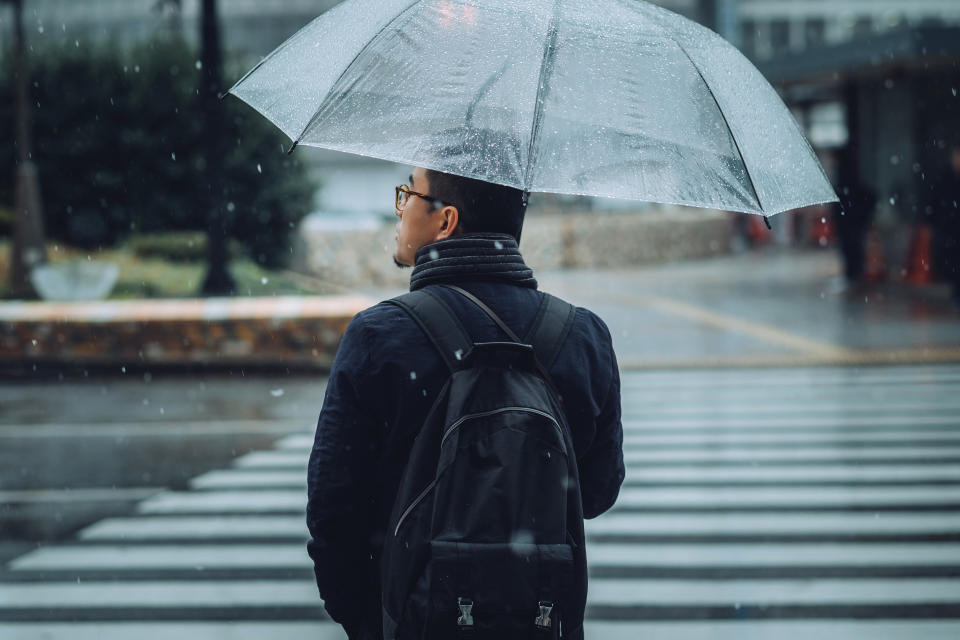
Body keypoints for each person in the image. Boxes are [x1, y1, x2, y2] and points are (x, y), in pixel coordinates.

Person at [306, 166, 624, 639]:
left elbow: (333, 515)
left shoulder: (379, 336)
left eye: (408, 192)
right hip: (537, 619)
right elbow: (596, 493)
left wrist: (369, 622)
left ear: (445, 220)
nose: (399, 208)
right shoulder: (582, 336)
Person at [929, 145, 960, 305]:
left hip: (951, 228)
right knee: (953, 262)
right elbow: (936, 203)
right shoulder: (946, 179)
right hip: (950, 230)